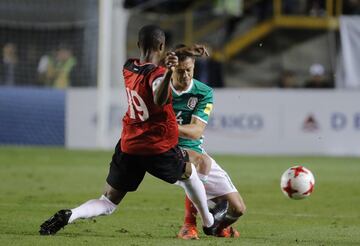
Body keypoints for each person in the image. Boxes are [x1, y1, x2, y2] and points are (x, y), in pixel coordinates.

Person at [39, 25, 225, 236]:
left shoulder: (129, 66)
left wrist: (186, 52)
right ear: (162, 46)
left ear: (138, 45)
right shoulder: (158, 75)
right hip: (157, 147)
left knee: (108, 202)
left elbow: (155, 69)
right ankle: (209, 223)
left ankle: (70, 215)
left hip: (129, 145)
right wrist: (167, 75)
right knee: (191, 172)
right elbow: (159, 97)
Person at [171, 45, 246, 239]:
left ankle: (215, 227)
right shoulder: (160, 87)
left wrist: (165, 126)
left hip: (192, 147)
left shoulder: (203, 92)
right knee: (199, 163)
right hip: (167, 147)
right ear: (171, 68)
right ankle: (189, 225)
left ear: (194, 67)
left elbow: (196, 132)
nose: (185, 75)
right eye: (180, 71)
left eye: (189, 70)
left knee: (237, 208)